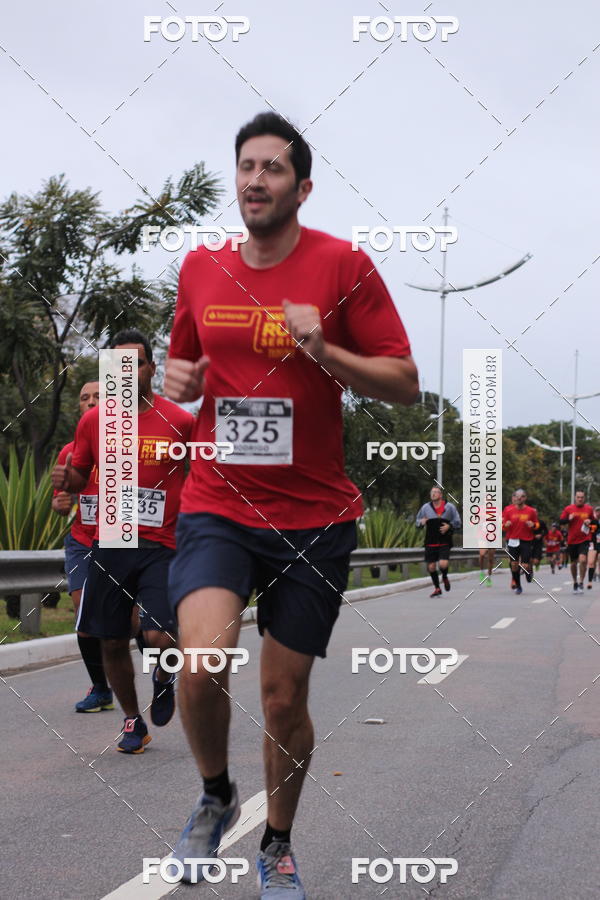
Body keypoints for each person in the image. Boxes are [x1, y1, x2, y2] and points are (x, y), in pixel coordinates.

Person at [164, 111, 419, 895]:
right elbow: (183, 368)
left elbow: (405, 384)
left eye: (273, 168)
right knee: (203, 665)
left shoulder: (344, 267)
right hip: (219, 503)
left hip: (313, 518)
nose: (255, 180)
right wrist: (176, 385)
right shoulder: (202, 270)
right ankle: (215, 796)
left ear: (302, 186)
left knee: (283, 696)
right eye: (246, 166)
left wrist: (327, 350)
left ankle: (275, 842)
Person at [52, 330, 194, 752]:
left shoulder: (181, 422)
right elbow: (80, 477)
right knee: (111, 639)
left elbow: (204, 479)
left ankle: (165, 677)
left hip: (164, 546)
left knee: (160, 637)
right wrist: (68, 480)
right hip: (110, 543)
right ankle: (134, 721)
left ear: (152, 368)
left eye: (137, 364)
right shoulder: (93, 422)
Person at [52, 380, 113, 712]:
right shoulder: (69, 450)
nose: (90, 402)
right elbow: (61, 501)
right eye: (84, 397)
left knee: (131, 624)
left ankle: (165, 676)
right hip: (82, 541)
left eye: (98, 396)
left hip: (123, 539)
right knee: (84, 615)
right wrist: (61, 504)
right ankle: (101, 689)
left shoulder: (130, 443)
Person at [416, 486, 461, 596]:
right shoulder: (425, 507)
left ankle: (444, 577)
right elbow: (417, 522)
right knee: (431, 567)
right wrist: (421, 522)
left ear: (441, 495)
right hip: (430, 541)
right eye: (432, 492)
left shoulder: (449, 507)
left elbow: (458, 522)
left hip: (444, 541)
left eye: (436, 492)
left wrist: (449, 526)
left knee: (443, 564)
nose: (433, 494)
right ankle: (437, 588)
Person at [502, 489, 538, 595]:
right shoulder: (508, 510)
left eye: (522, 496)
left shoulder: (531, 511)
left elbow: (537, 525)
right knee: (514, 564)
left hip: (526, 540)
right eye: (517, 496)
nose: (519, 498)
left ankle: (528, 571)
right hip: (512, 540)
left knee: (525, 565)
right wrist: (505, 525)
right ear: (514, 498)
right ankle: (518, 585)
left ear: (525, 498)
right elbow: (503, 526)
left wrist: (533, 525)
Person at [560, 490, 595, 593]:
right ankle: (575, 581)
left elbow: (595, 524)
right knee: (573, 563)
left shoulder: (589, 509)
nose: (580, 499)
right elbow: (561, 522)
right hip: (572, 540)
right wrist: (568, 519)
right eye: (578, 497)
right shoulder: (568, 509)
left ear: (584, 498)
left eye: (582, 497)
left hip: (584, 539)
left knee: (583, 560)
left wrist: (590, 522)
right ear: (575, 497)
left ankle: (581, 582)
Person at [585, 507, 600, 589]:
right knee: (591, 562)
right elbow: (590, 531)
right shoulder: (593, 521)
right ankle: (590, 581)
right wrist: (587, 525)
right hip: (593, 543)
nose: (599, 513)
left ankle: (598, 572)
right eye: (597, 511)